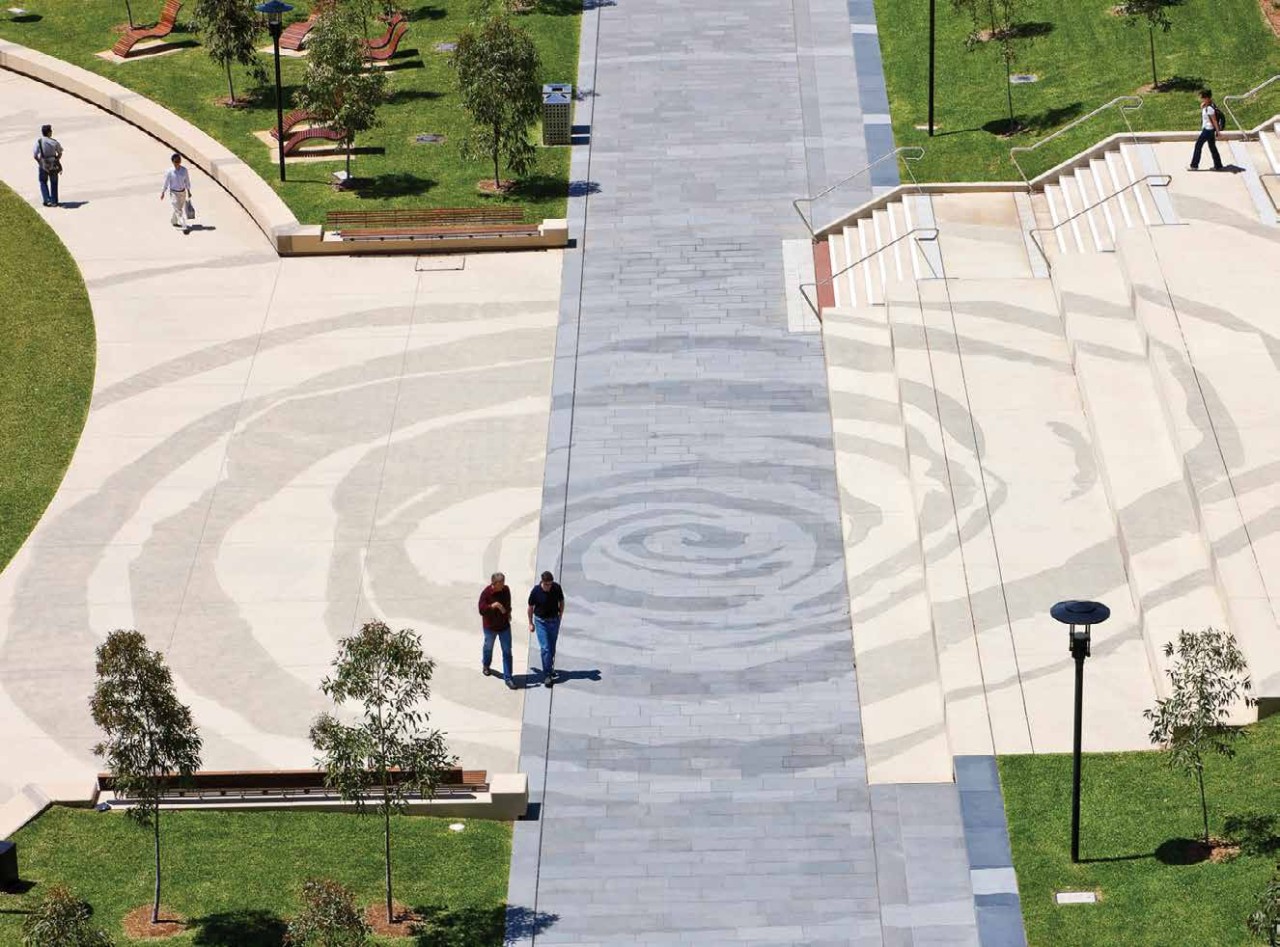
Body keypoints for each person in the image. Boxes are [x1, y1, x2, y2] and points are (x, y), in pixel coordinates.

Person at [527, 570, 565, 687]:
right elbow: (530, 607)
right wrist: (530, 623)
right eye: (546, 584)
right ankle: (547, 674)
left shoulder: (556, 588)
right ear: (542, 582)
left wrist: (560, 615)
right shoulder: (536, 591)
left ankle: (550, 667)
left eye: (550, 584)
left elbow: (561, 601)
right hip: (541, 622)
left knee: (552, 647)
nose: (549, 586)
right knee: (546, 648)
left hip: (554, 621)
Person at [478, 572, 515, 689]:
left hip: (504, 626)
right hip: (490, 628)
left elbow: (508, 603)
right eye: (501, 583)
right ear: (494, 583)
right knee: (488, 647)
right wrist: (494, 605)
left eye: (504, 582)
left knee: (507, 652)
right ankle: (486, 665)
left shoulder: (506, 590)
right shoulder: (486, 593)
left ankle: (508, 677)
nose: (503, 585)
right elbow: (481, 610)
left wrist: (508, 612)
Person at [1190, 89, 1224, 172]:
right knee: (1212, 147)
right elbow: (1202, 107)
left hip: (1208, 130)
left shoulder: (1210, 108)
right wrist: (1204, 105)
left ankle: (1194, 165)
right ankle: (1218, 165)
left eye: (1203, 98)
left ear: (1207, 98)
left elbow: (1215, 120)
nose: (1202, 99)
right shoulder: (1209, 105)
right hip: (1209, 130)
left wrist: (1218, 132)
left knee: (1198, 145)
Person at [160, 152, 193, 233]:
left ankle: (173, 221)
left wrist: (188, 191)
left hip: (183, 192)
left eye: (179, 161)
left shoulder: (184, 170)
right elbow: (166, 182)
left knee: (179, 208)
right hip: (174, 193)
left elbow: (187, 181)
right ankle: (184, 225)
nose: (177, 163)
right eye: (176, 162)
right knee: (179, 210)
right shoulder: (169, 172)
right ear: (173, 162)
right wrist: (163, 192)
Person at [33, 124, 63, 208]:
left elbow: (35, 155)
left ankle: (47, 200)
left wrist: (39, 162)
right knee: (54, 182)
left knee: (43, 181)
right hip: (53, 164)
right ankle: (54, 201)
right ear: (49, 132)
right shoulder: (54, 142)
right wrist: (57, 159)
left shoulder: (39, 142)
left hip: (43, 164)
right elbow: (60, 153)